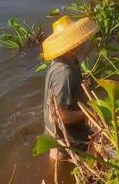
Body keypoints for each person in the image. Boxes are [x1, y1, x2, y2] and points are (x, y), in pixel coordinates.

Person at [42, 15, 98, 161]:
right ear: (71, 46)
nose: (81, 42)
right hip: (64, 142)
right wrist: (88, 113)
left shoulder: (70, 60)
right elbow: (59, 116)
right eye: (77, 40)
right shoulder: (63, 72)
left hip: (67, 135)